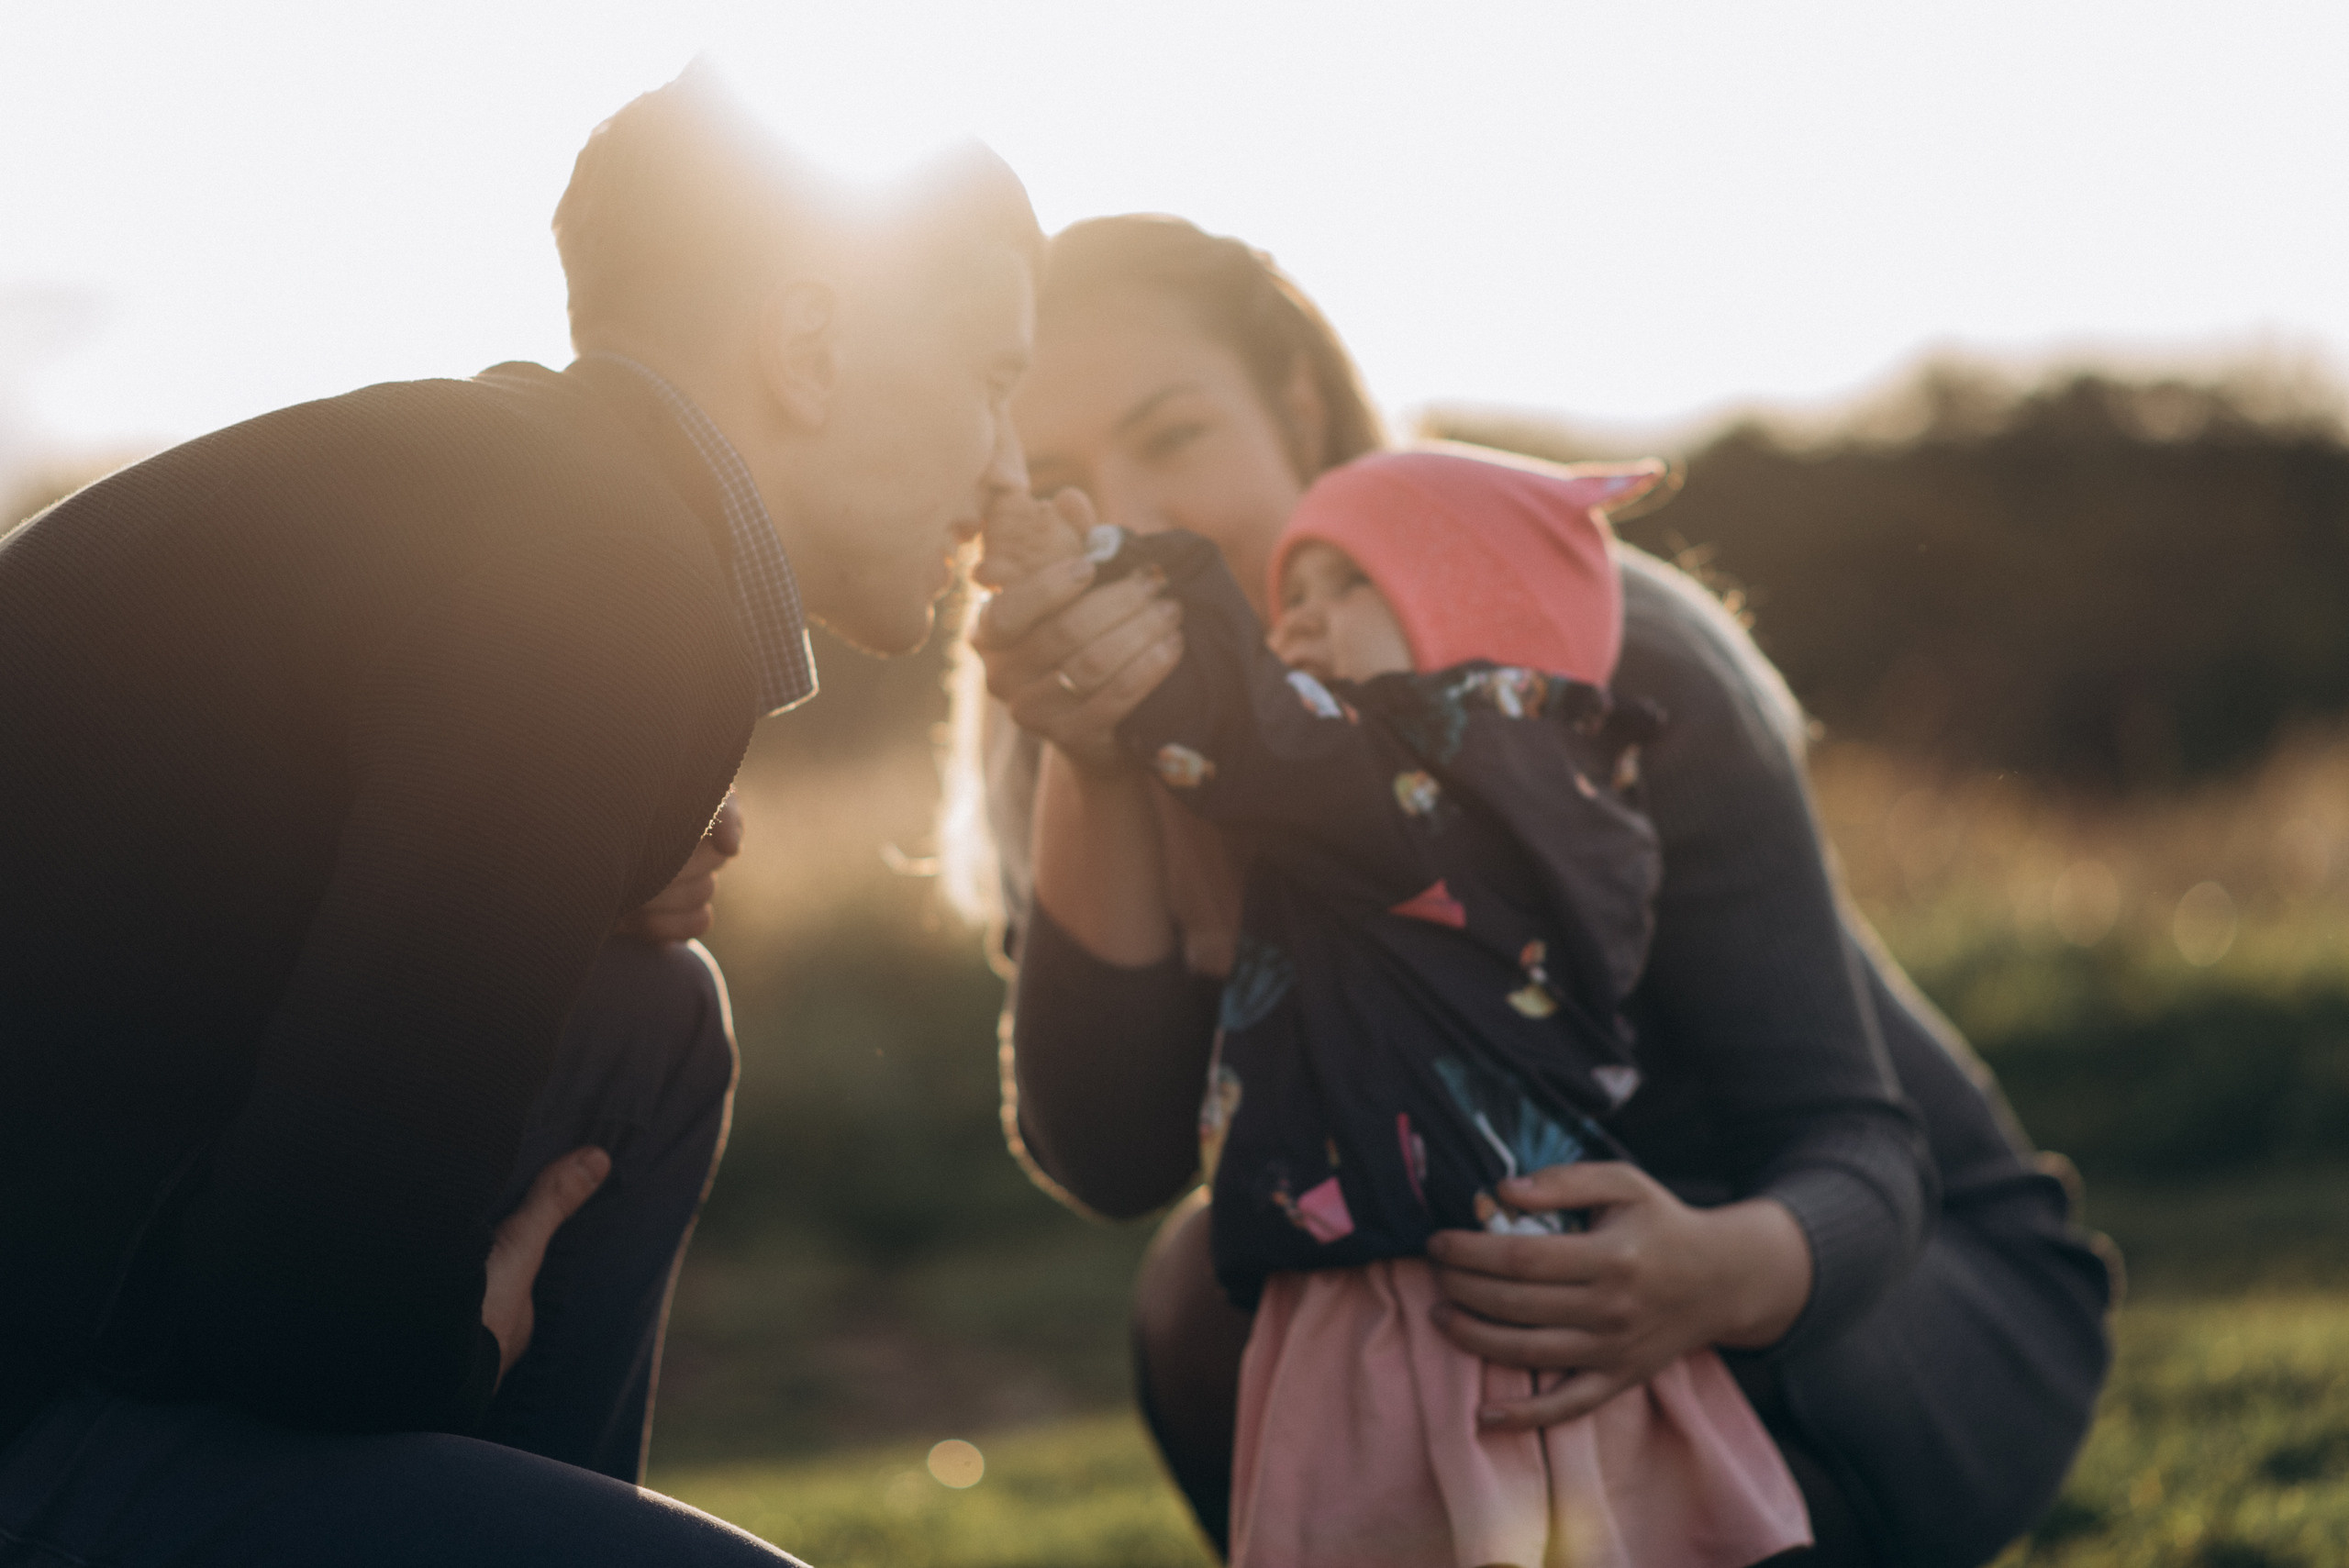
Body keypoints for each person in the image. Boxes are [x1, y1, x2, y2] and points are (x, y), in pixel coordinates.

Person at [951, 215, 2117, 1568]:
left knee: (1521, 1265)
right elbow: (1118, 1159)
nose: (1135, 521)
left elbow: (1860, 1150)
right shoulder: (1065, 730)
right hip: (1518, 1323)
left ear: (1295, 405)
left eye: (1174, 436)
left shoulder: (1592, 659)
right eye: (1063, 480)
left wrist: (1700, 1273)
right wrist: (1098, 760)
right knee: (1211, 1294)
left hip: (1879, 1297)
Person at [0, 69, 1038, 1566]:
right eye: (993, 377)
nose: (1005, 469)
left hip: (71, 1289)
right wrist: (456, 1350)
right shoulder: (605, 576)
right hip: (36, 1408)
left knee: (648, 1013)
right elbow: (309, 1312)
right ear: (810, 347)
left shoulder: (504, 488)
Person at [987, 449, 1812, 1568]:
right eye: (1295, 597)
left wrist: (1108, 569)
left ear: (1469, 604)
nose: (1301, 623)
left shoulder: (1456, 777)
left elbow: (1241, 727)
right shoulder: (1536, 781)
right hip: (1431, 1260)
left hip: (1433, 1299)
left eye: (1349, 586)